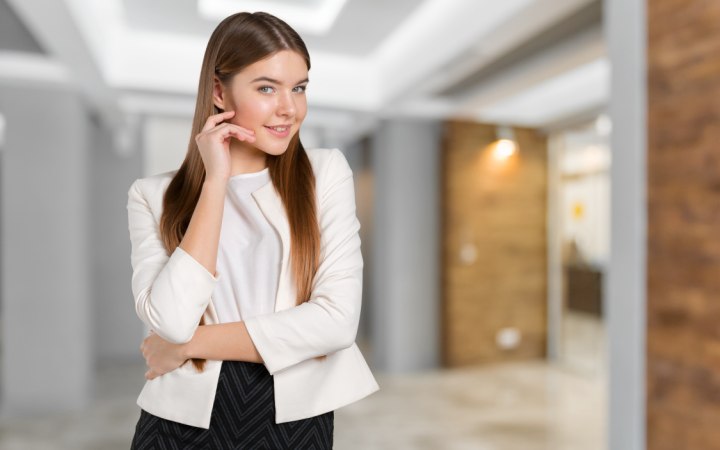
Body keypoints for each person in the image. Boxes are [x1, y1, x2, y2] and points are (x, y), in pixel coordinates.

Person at [127, 11, 379, 449]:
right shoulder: (153, 195)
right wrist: (215, 183)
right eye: (267, 88)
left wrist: (188, 346)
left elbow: (336, 322)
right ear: (220, 93)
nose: (290, 108)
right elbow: (169, 319)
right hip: (179, 422)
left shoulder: (325, 173)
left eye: (299, 88)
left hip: (293, 418)